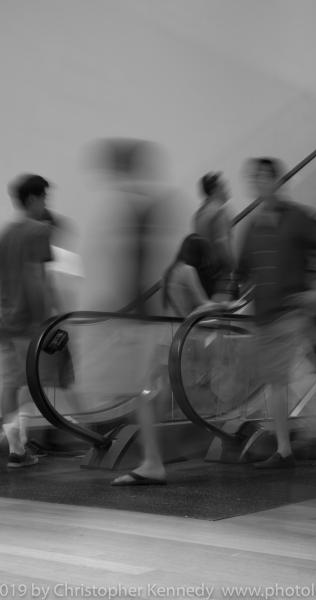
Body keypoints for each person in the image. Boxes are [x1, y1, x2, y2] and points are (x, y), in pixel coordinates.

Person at [81, 139, 180, 486]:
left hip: (134, 314)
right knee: (142, 389)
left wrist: (117, 310)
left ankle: (153, 460)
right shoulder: (149, 204)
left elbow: (123, 262)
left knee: (135, 386)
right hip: (144, 312)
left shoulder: (123, 203)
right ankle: (152, 460)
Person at [234, 157, 316, 468]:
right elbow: (242, 272)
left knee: (304, 372)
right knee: (276, 382)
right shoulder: (252, 227)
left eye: (267, 178)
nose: (261, 184)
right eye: (257, 179)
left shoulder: (297, 218)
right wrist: (226, 299)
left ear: (279, 182)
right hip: (264, 315)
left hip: (292, 313)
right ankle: (285, 448)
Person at [0, 174, 54, 469]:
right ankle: (20, 441)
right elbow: (35, 277)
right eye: (44, 198)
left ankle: (16, 447)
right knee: (33, 383)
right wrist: (45, 319)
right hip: (29, 323)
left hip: (6, 323)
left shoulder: (0, 235)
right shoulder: (38, 231)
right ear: (32, 199)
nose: (46, 204)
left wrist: (4, 312)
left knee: (10, 384)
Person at [193, 173, 236, 301]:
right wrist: (235, 268)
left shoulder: (199, 215)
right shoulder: (219, 212)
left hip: (205, 277)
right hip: (221, 276)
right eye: (223, 186)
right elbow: (221, 242)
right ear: (215, 190)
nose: (226, 190)